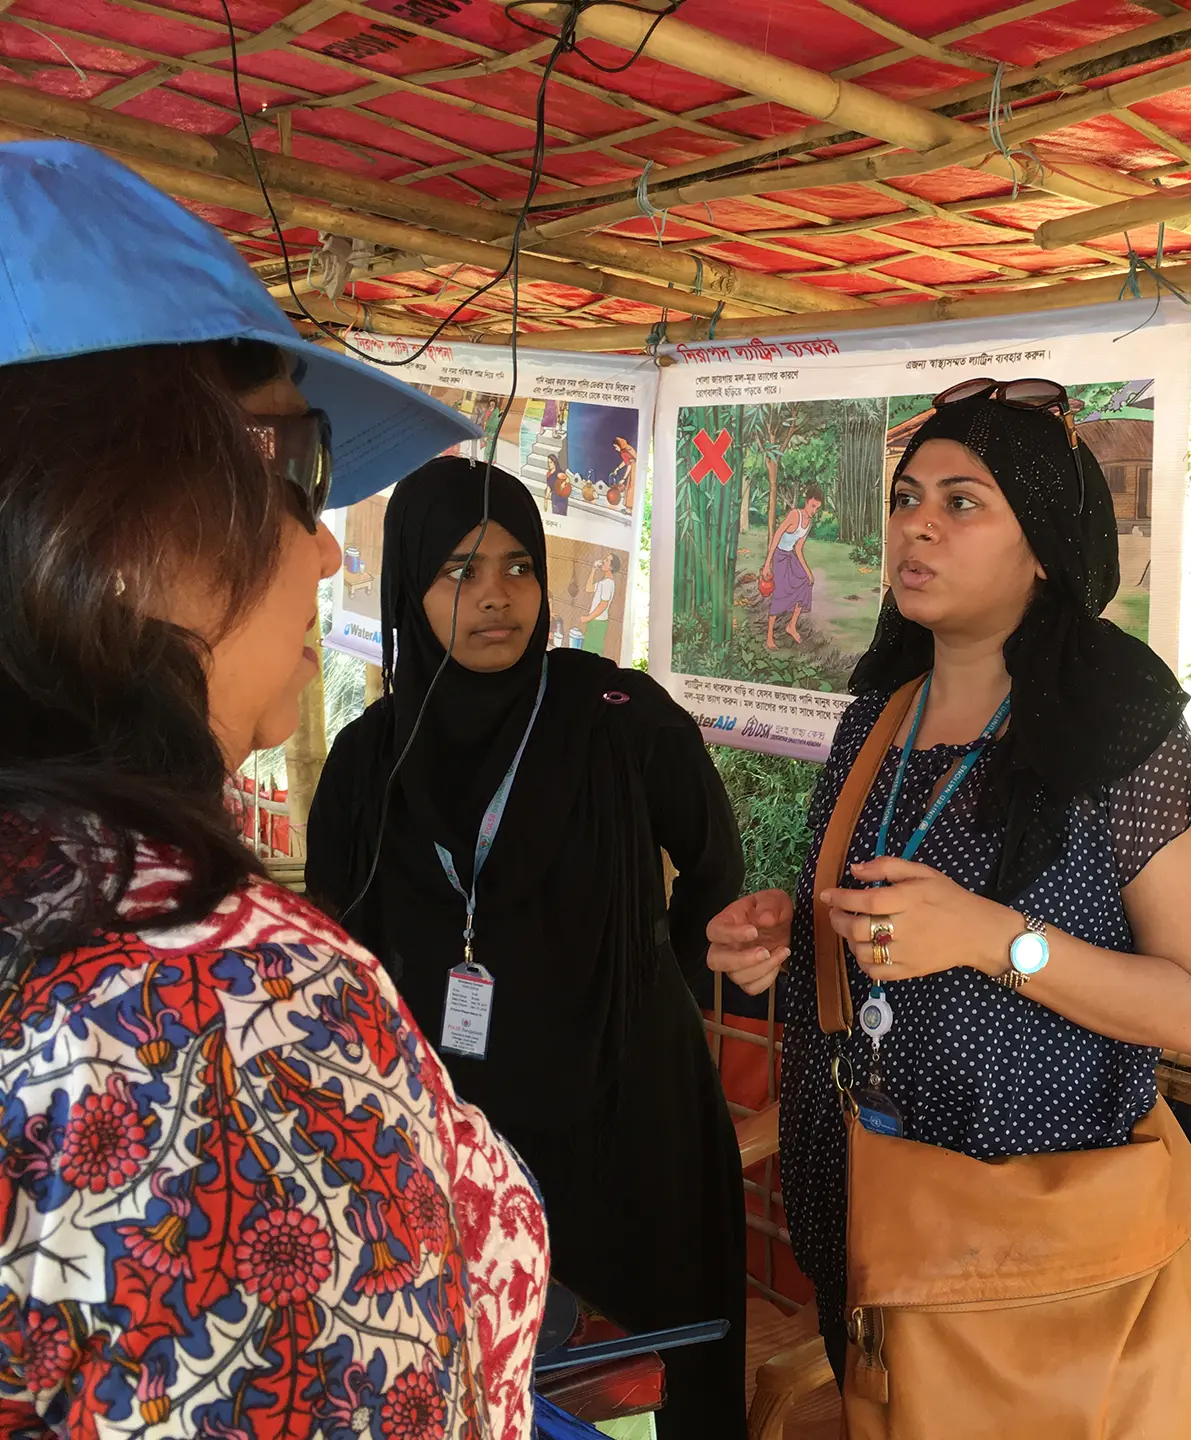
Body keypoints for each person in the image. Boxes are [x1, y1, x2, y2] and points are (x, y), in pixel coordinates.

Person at [0, 141, 548, 1435]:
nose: (323, 550)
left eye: (518, 565)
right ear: (114, 525)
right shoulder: (222, 1019)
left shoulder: (614, 724)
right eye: (295, 467)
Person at [707, 378, 1191, 1382]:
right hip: (863, 1216)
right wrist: (792, 931)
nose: (918, 526)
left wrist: (996, 940)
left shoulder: (1120, 732)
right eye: (908, 498)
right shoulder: (877, 720)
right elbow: (870, 924)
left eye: (962, 502)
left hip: (1033, 1256)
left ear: (1043, 547)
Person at [306, 460, 748, 1439]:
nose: (497, 596)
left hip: (633, 1134)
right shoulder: (369, 761)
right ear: (410, 586)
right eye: (459, 571)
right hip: (456, 1146)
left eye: (518, 566)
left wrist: (650, 999)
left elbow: (716, 872)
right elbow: (336, 960)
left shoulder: (621, 721)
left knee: (646, 1394)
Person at [761, 484, 824, 651]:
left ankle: (791, 625)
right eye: (812, 506)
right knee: (780, 593)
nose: (814, 511)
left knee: (806, 582)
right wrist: (767, 563)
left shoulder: (808, 523)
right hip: (779, 556)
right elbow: (777, 536)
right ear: (807, 502)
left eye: (817, 508)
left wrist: (808, 572)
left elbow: (798, 548)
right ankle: (769, 636)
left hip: (790, 555)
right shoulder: (794, 515)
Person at [581, 552, 621, 656]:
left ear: (611, 567)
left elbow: (603, 605)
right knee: (588, 649)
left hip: (598, 622)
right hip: (595, 621)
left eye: (607, 560)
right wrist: (593, 569)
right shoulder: (603, 582)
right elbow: (589, 588)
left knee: (592, 651)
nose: (603, 561)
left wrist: (588, 618)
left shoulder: (608, 583)